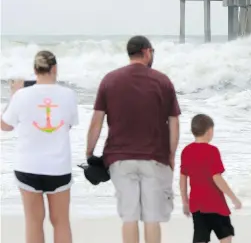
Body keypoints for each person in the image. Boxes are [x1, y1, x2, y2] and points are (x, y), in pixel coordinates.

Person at [85, 35, 181, 243]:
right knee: (152, 218)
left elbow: (96, 121)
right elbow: (174, 122)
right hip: (155, 157)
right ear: (147, 52)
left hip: (119, 159)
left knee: (129, 217)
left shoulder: (110, 80)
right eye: (152, 52)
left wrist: (89, 153)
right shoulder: (162, 81)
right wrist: (172, 155)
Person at [1, 50, 78, 243]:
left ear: (34, 70)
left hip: (28, 167)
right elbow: (67, 125)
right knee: (61, 222)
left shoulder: (21, 96)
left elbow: (5, 125)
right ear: (55, 68)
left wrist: (14, 95)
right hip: (58, 168)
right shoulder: (68, 95)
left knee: (34, 222)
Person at [180, 114, 242, 243]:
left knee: (200, 238)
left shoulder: (186, 151)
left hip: (197, 205)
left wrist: (185, 202)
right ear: (209, 131)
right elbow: (217, 178)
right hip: (216, 204)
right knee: (225, 236)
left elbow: (183, 179)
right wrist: (233, 198)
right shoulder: (212, 151)